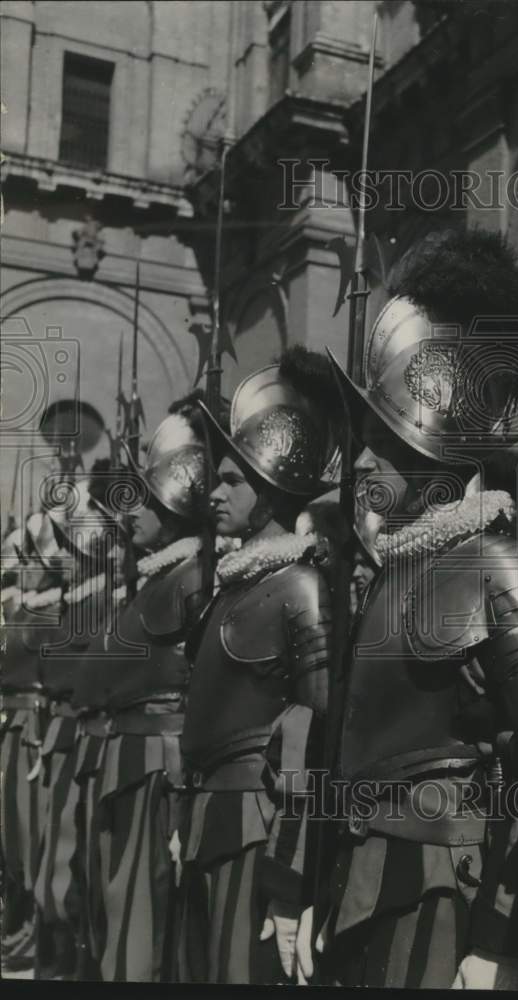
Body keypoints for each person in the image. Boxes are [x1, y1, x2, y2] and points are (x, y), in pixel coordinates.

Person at [318, 228, 518, 990]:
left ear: (430, 445)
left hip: (442, 891)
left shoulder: (500, 566)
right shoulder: (398, 567)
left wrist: (505, 940)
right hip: (364, 876)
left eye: (378, 440)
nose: (358, 461)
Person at [174, 347, 342, 985]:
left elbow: (310, 735)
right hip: (210, 815)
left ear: (271, 488)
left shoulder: (300, 586)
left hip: (258, 826)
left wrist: (289, 873)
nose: (213, 493)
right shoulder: (235, 583)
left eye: (233, 481)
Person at [70, 398, 211, 981]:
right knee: (116, 918)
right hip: (126, 763)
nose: (128, 512)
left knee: (146, 934)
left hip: (160, 772)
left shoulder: (195, 579)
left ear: (175, 502)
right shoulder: (155, 576)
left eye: (144, 499)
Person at [31, 466, 123, 980]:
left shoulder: (108, 595)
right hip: (70, 732)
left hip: (95, 738)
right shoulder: (82, 595)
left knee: (81, 875)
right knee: (58, 870)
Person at [0, 513, 64, 972]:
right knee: (12, 831)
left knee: (34, 832)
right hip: (13, 725)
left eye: (30, 557)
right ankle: (19, 920)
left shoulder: (56, 609)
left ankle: (37, 929)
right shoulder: (18, 607)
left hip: (36, 726)